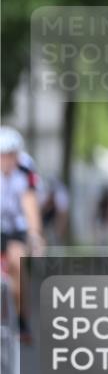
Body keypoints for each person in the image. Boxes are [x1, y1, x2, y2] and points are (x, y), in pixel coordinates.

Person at [0, 126, 45, 343]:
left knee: (17, 261)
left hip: (16, 225)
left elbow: (30, 205)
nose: (8, 161)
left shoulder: (25, 169)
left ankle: (20, 317)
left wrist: (35, 235)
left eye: (12, 155)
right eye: (4, 156)